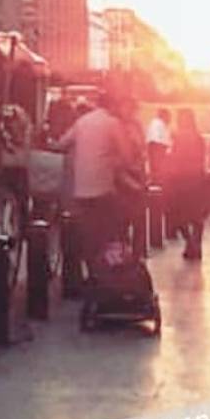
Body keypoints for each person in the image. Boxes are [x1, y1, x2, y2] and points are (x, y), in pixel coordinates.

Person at [58, 89, 133, 286]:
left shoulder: (82, 121)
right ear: (113, 105)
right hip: (103, 190)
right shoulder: (113, 123)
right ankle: (107, 273)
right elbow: (127, 158)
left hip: (80, 190)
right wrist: (113, 163)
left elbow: (62, 143)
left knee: (86, 232)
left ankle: (88, 271)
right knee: (109, 230)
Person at [169, 108, 207, 261]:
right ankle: (196, 245)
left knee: (178, 214)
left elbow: (175, 158)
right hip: (197, 179)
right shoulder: (199, 137)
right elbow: (202, 158)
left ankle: (189, 243)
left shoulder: (179, 137)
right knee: (197, 215)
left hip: (182, 179)